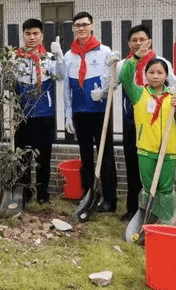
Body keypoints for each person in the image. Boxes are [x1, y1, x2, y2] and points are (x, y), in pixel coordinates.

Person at [113, 25, 176, 222]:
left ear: (149, 41)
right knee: (134, 165)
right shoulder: (125, 64)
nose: (138, 43)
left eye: (142, 39)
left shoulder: (161, 63)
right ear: (129, 43)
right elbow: (118, 81)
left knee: (159, 169)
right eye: (134, 40)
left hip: (156, 122)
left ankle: (159, 210)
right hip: (131, 119)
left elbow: (174, 85)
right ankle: (134, 209)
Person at [63, 12, 119, 212]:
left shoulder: (104, 51)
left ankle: (110, 199)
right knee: (85, 156)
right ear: (73, 28)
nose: (81, 28)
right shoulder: (69, 55)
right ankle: (88, 195)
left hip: (100, 111)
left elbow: (113, 82)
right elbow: (66, 88)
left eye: (85, 24)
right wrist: (68, 113)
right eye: (77, 25)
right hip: (80, 112)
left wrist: (103, 92)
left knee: (106, 155)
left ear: (92, 26)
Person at [13, 19, 65, 204]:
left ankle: (43, 194)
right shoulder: (15, 58)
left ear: (42, 35)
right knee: (22, 157)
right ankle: (25, 193)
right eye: (28, 33)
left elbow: (62, 77)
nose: (32, 37)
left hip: (45, 116)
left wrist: (60, 57)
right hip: (21, 116)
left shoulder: (49, 58)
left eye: (35, 33)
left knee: (44, 157)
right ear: (23, 35)